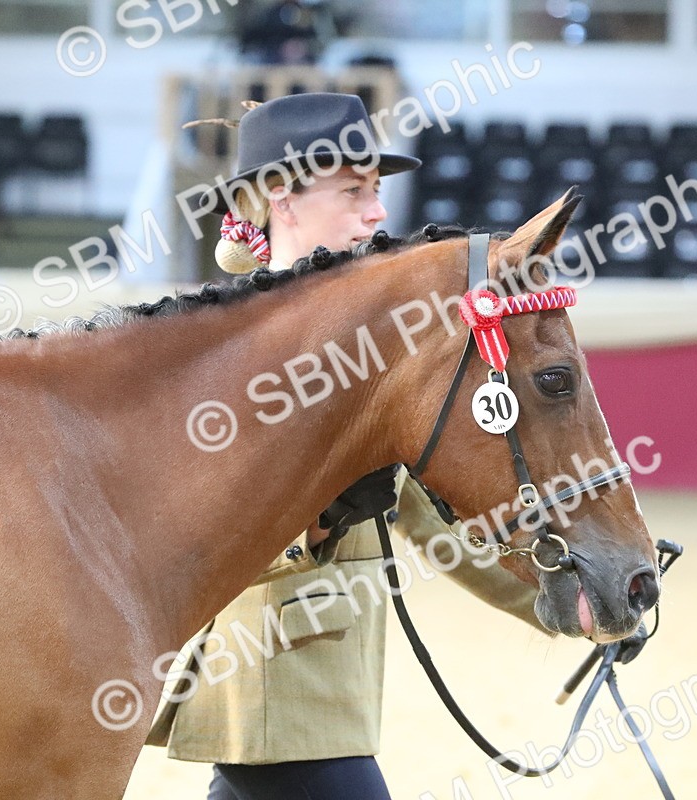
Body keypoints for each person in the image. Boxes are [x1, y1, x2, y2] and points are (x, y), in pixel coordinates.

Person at [146, 93, 547, 800]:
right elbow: (191, 532)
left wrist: (557, 597)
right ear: (282, 198)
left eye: (378, 190)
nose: (377, 211)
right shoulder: (235, 345)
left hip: (328, 705)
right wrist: (319, 524)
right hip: (271, 691)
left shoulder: (368, 353)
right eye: (354, 191)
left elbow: (435, 521)